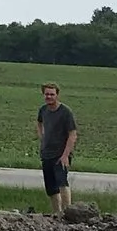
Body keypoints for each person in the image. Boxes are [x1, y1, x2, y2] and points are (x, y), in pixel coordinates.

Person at [35, 82, 80, 217]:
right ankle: (56, 213)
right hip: (46, 153)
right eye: (47, 94)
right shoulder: (43, 110)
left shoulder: (65, 112)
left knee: (62, 181)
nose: (49, 97)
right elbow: (39, 122)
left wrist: (65, 155)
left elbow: (73, 134)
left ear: (57, 95)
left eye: (52, 94)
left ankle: (68, 213)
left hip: (61, 154)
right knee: (51, 187)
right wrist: (42, 137)